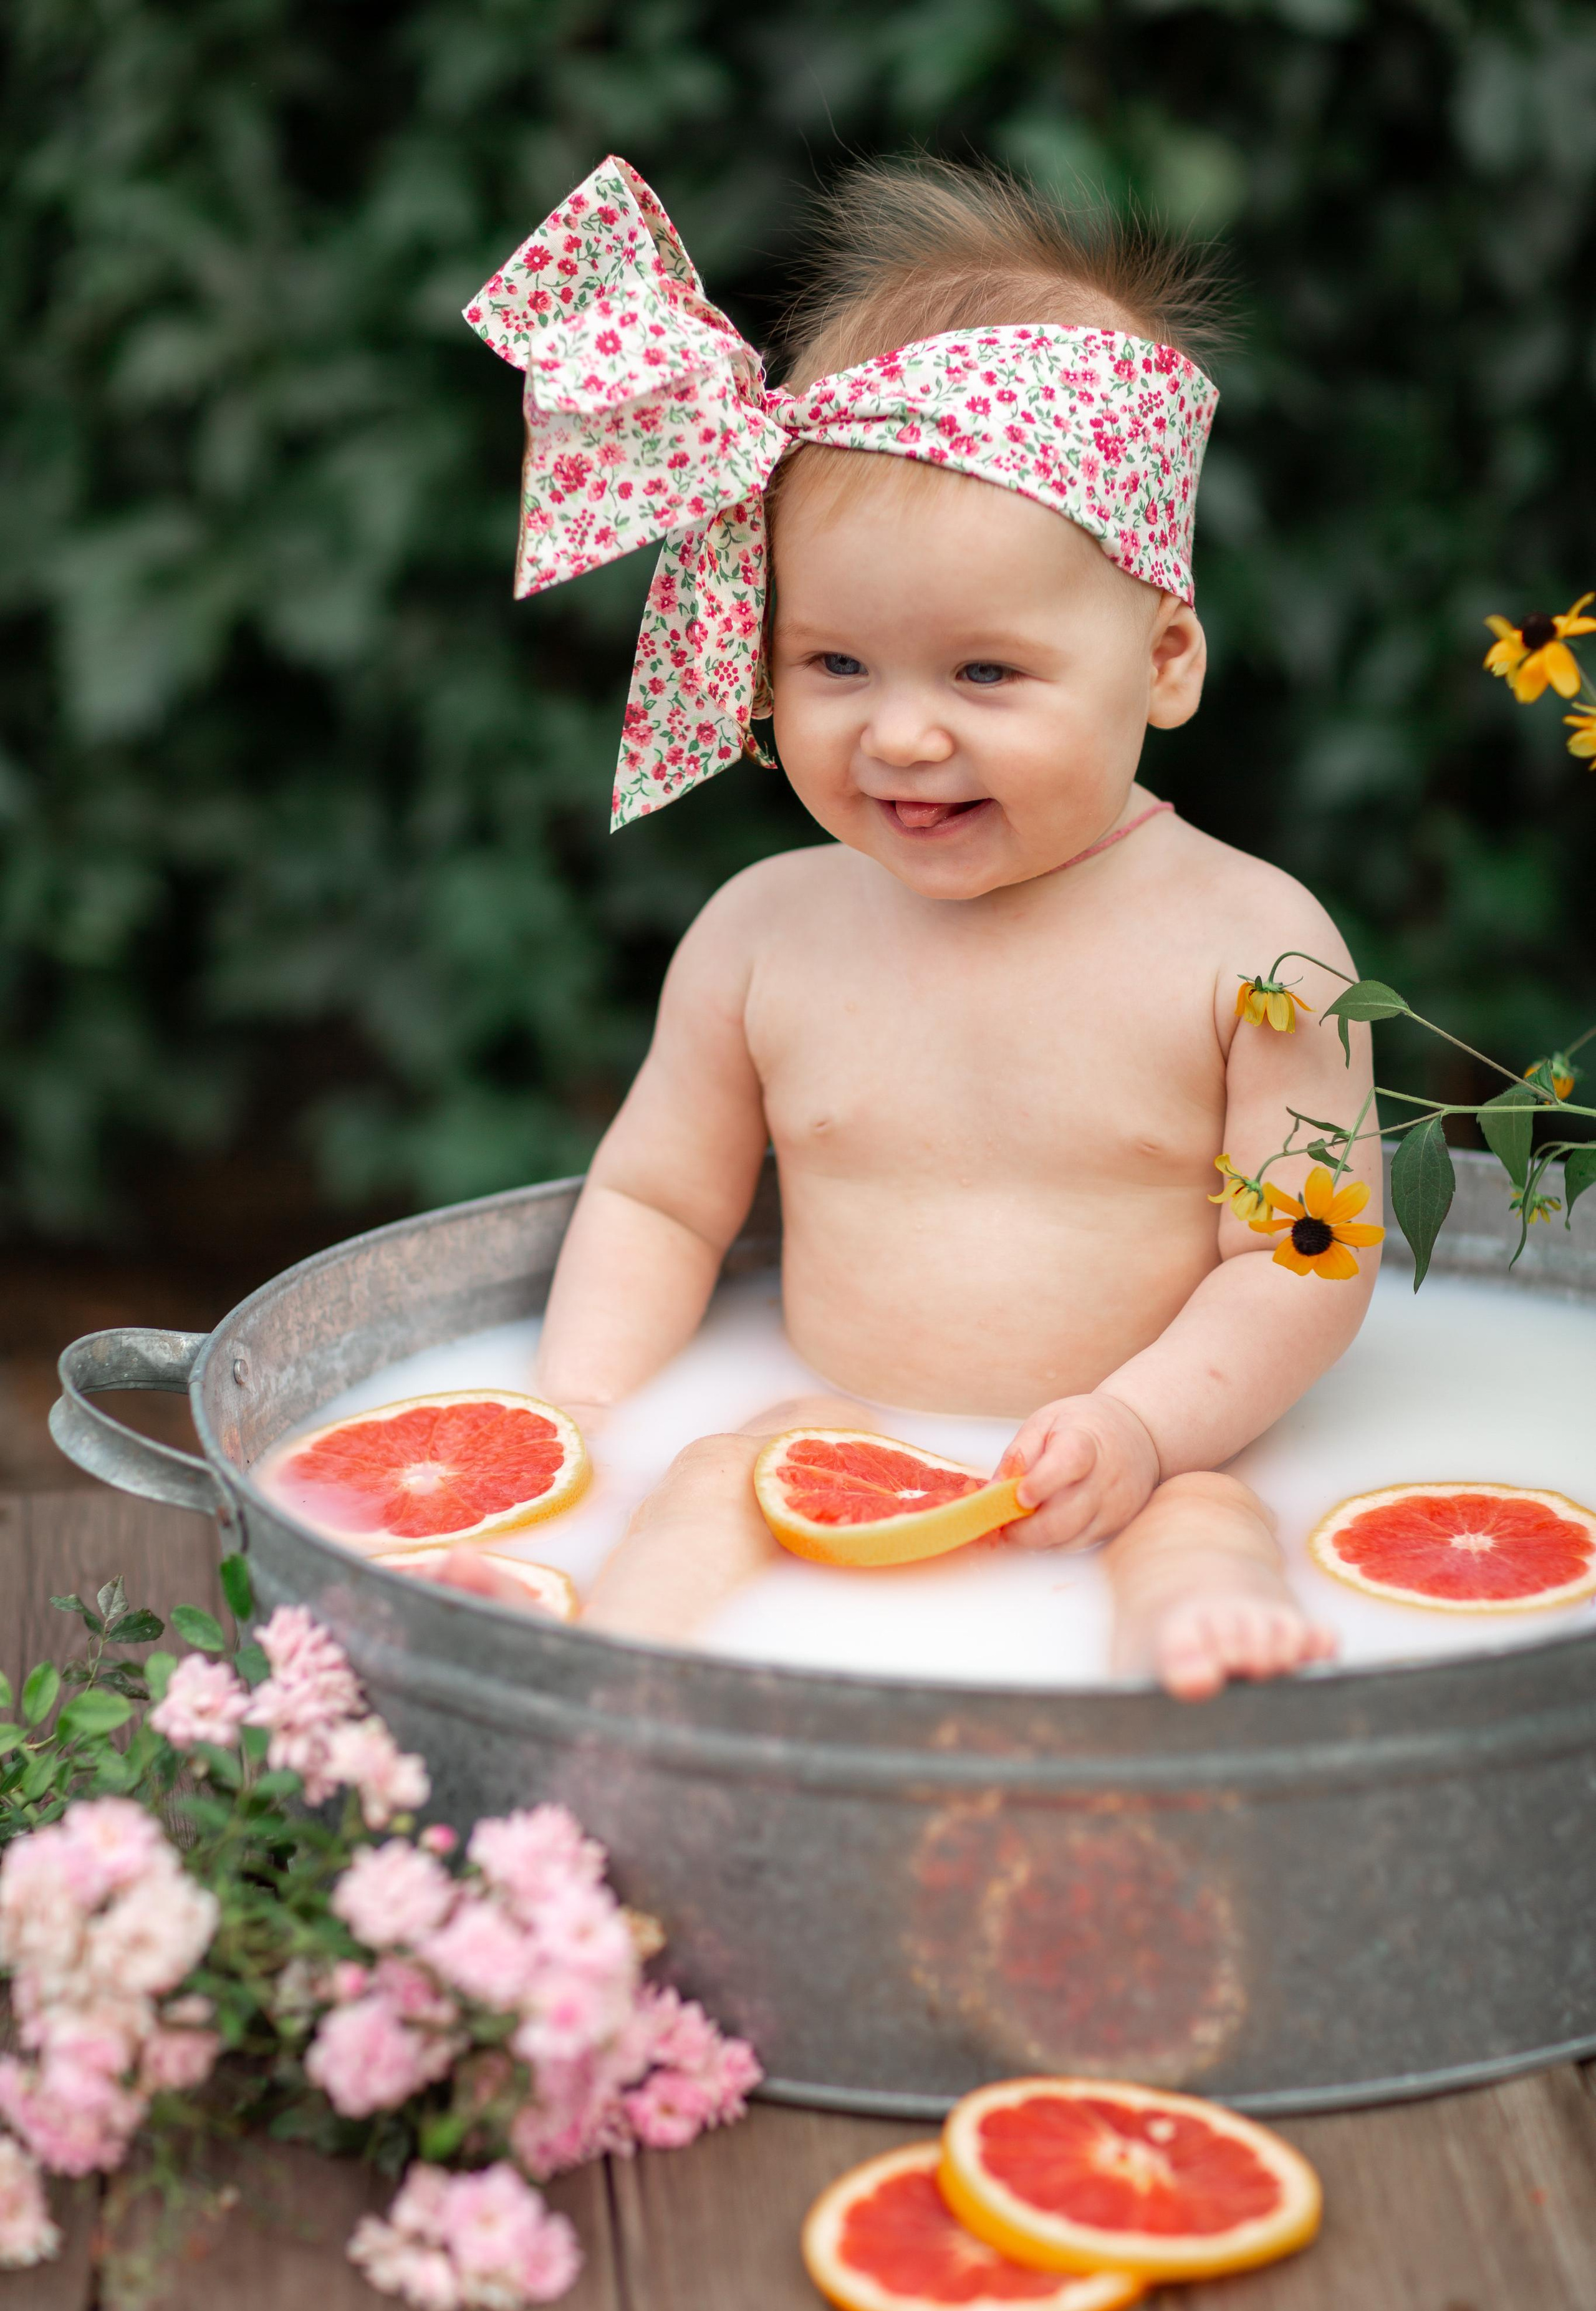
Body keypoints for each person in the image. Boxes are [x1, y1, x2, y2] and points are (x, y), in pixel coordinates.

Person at [465, 155, 1382, 1699]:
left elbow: (1303, 1261)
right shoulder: (763, 932)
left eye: (981, 675)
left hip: (1144, 1437)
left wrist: (1145, 1423)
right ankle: (599, 1640)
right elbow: (657, 1206)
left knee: (1206, 1526)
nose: (897, 738)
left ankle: (1193, 1639)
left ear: (1160, 661)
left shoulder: (1251, 946)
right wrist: (580, 1418)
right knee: (708, 1479)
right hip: (828, 1425)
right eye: (834, 663)